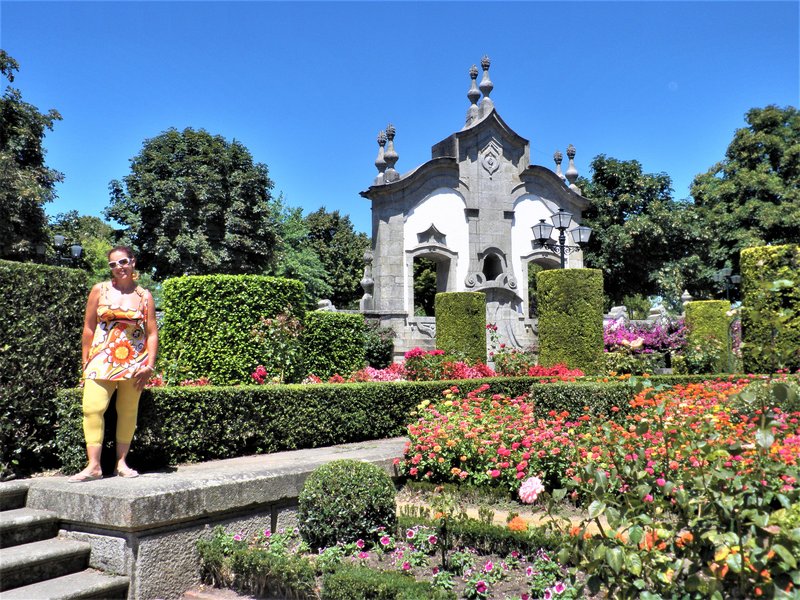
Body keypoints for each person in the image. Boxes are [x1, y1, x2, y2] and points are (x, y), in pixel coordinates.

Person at [68, 246, 158, 482]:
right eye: (113, 264)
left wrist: (149, 364)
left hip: (134, 361)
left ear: (133, 262)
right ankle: (94, 466)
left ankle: (121, 463)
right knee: (92, 408)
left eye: (123, 262)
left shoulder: (144, 296)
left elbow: (152, 333)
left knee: (127, 412)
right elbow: (88, 327)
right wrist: (85, 361)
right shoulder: (100, 290)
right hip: (101, 358)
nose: (119, 267)